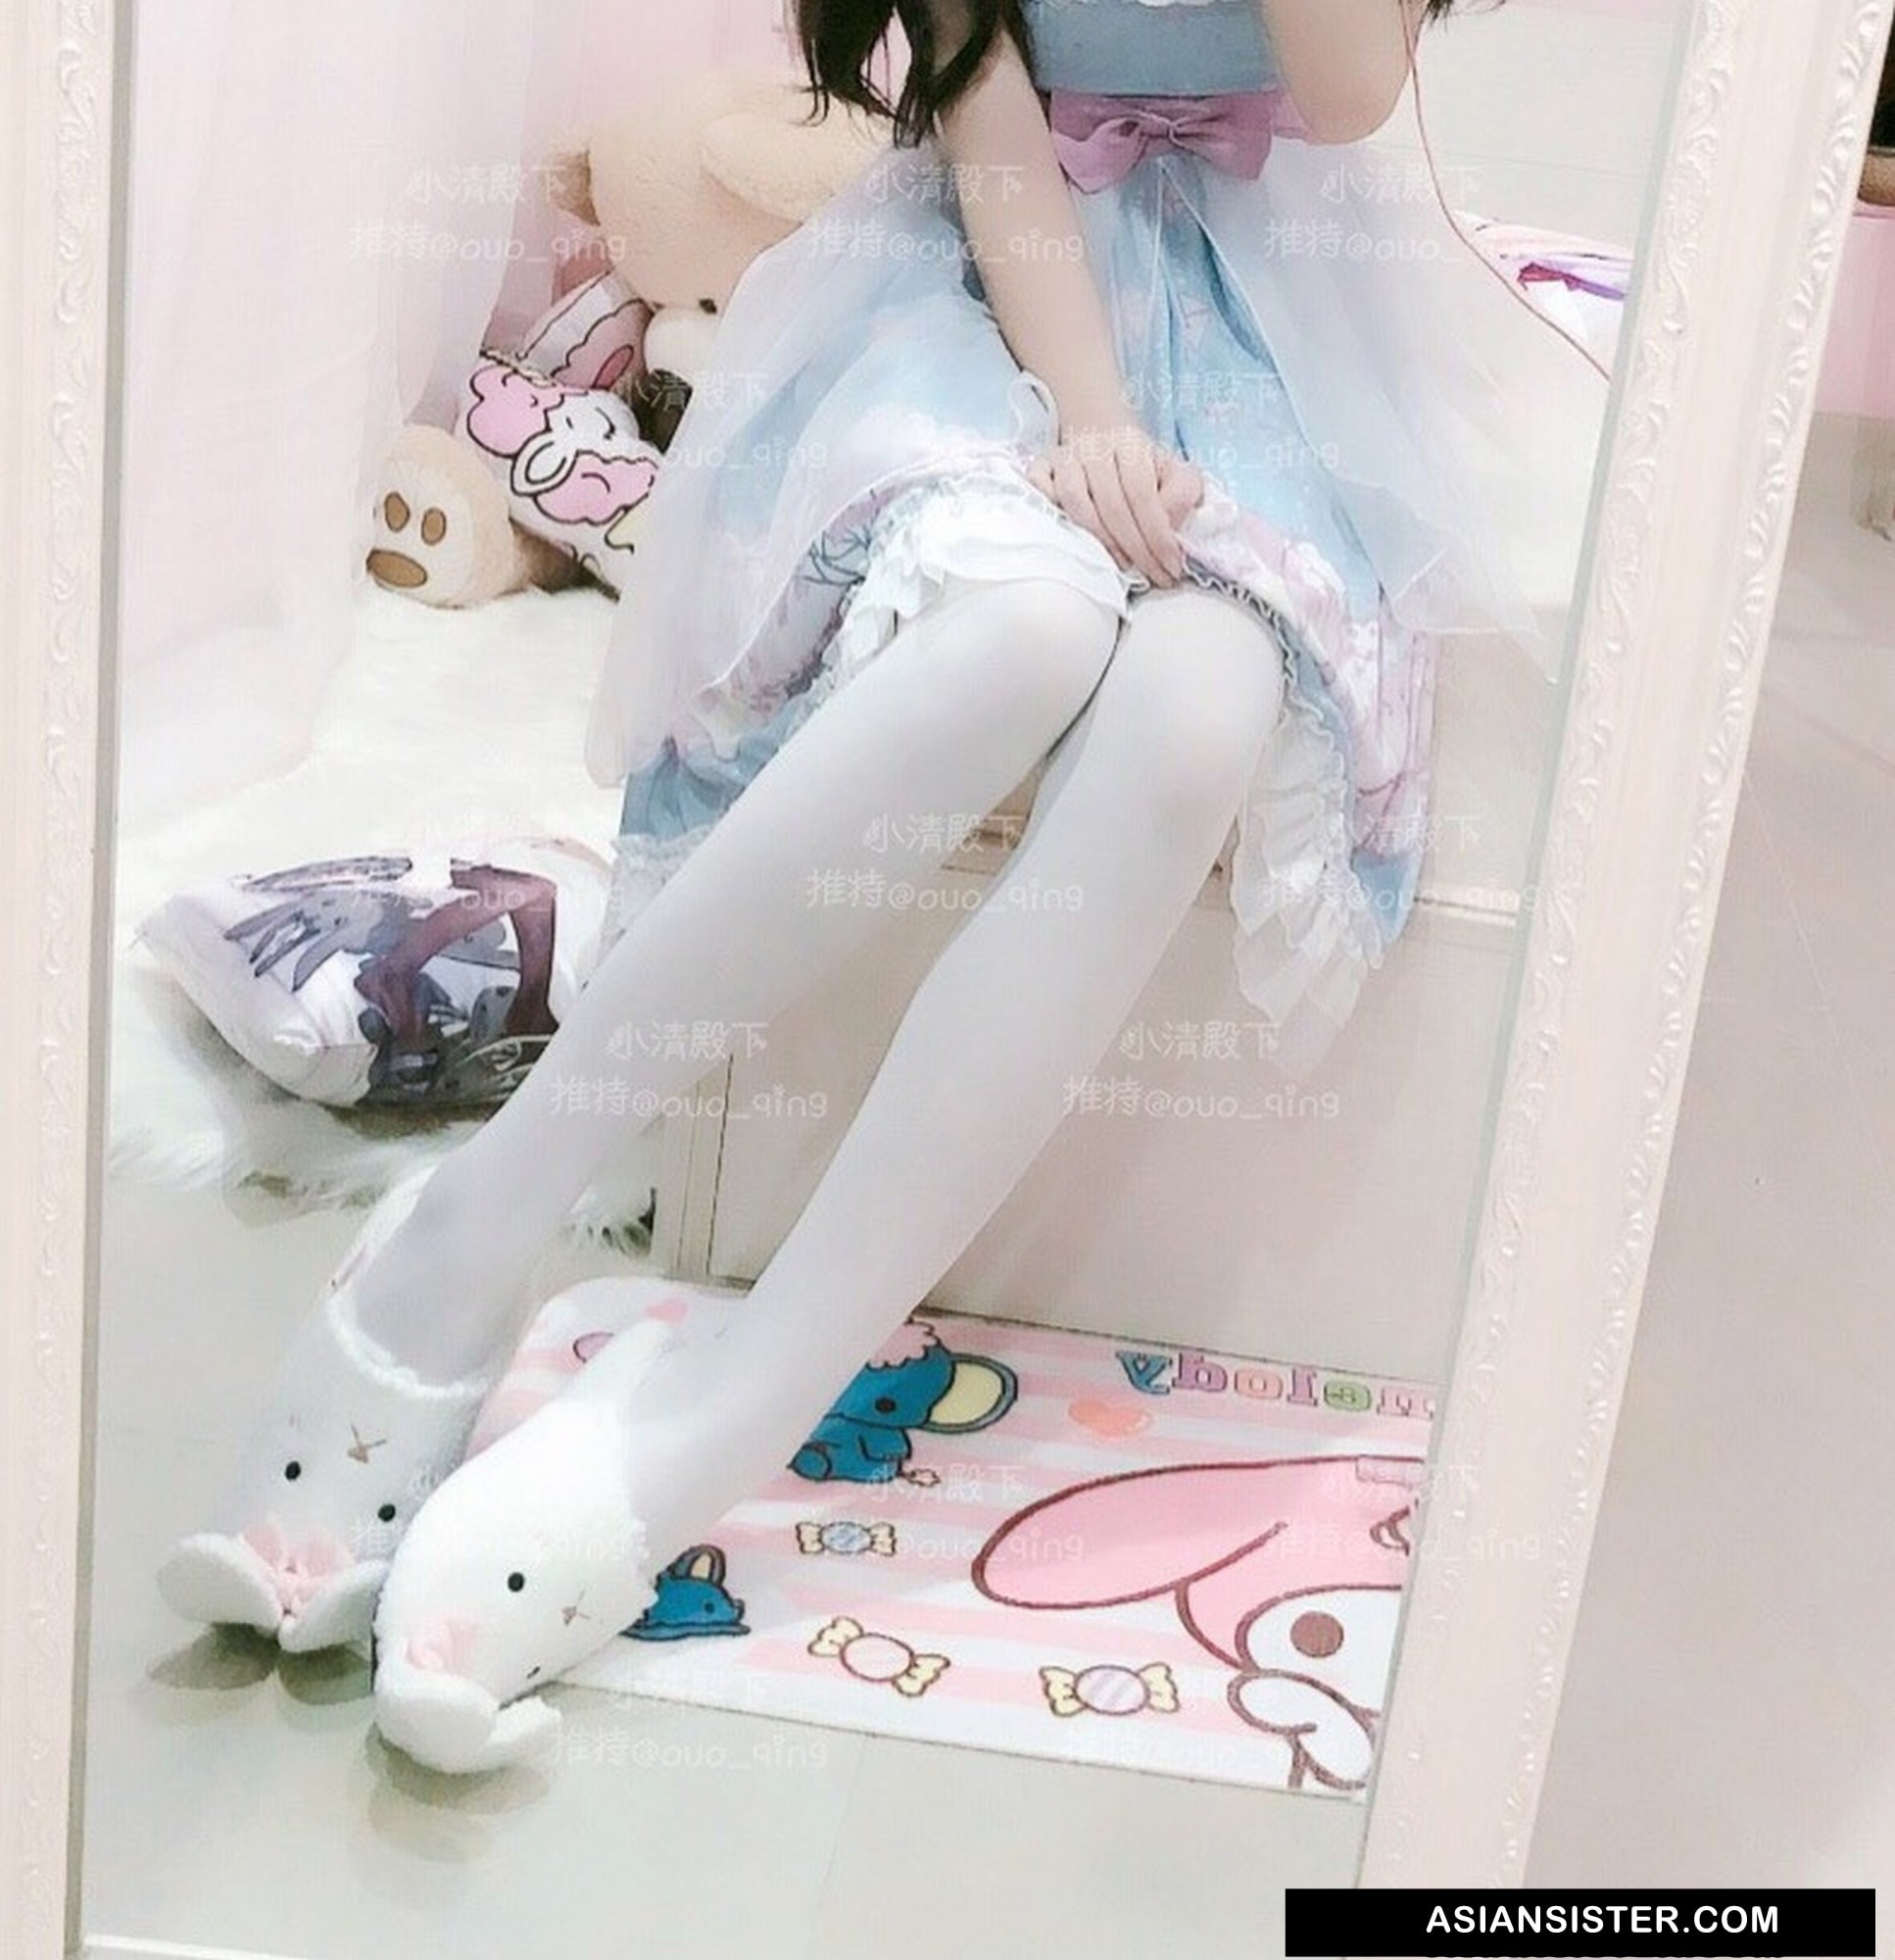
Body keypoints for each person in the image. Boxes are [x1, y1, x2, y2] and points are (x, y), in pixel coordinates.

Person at [162, 0, 1605, 1713]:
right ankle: (465, 1236)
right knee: (1019, 634)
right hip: (998, 295)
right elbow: (991, 133)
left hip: (1268, 323)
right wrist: (1090, 426)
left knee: (1198, 712)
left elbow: (1352, 92)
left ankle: (738, 1407)